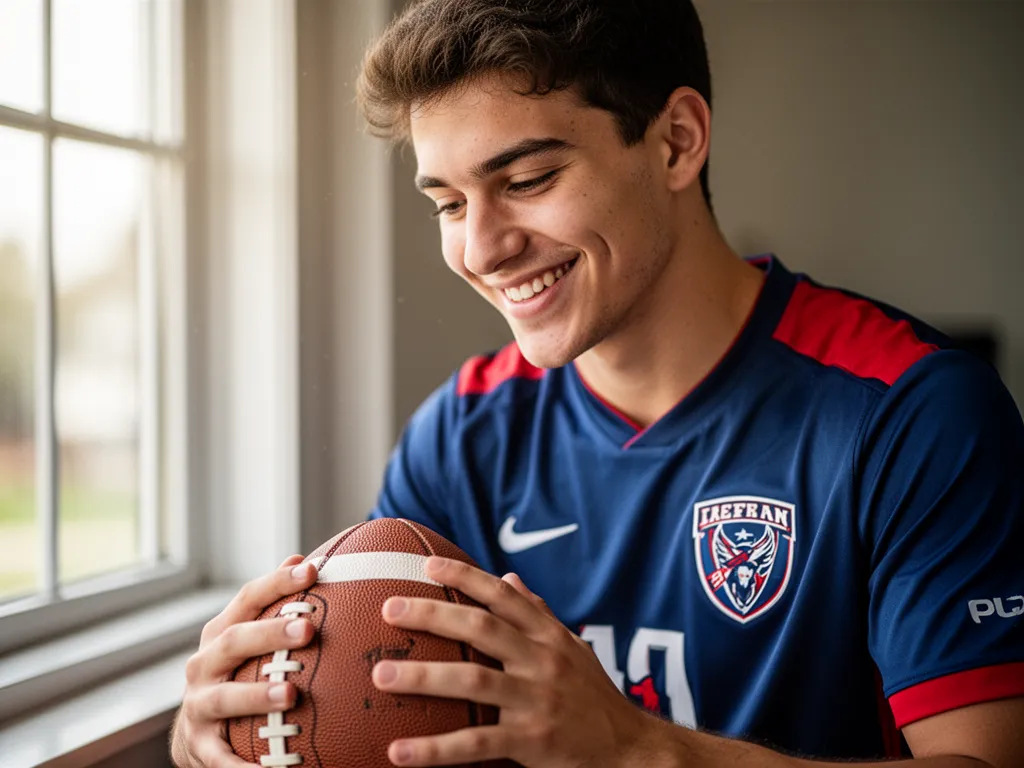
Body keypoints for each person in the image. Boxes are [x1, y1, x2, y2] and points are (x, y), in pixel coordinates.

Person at [171, 1, 1024, 766]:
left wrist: (634, 749)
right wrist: (228, 727)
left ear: (677, 140)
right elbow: (383, 712)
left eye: (529, 180)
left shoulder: (912, 411)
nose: (481, 249)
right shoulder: (462, 434)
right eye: (450, 203)